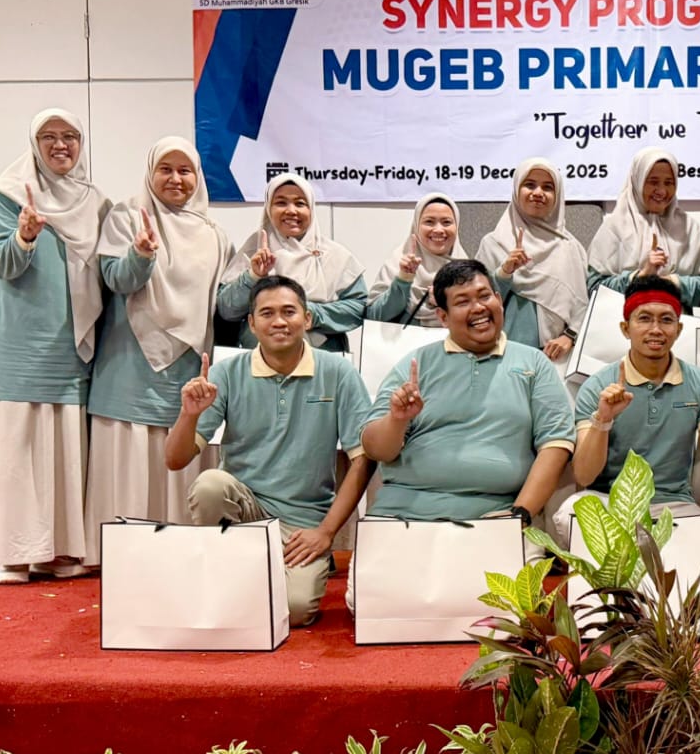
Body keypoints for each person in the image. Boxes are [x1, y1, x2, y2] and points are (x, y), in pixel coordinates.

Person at [164, 277, 373, 627]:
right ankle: (233, 572)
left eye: (289, 312)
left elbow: (363, 460)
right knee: (210, 485)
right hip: (245, 509)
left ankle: (257, 578)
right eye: (267, 313)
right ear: (251, 323)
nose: (279, 321)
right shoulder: (226, 373)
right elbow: (175, 459)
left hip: (303, 521)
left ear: (307, 318)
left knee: (296, 610)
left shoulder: (338, 372)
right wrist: (189, 415)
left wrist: (325, 532)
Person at [0, 109, 110, 584]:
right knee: (16, 449)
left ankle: (57, 550)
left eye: (70, 136)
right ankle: (15, 554)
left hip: (70, 343)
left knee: (64, 450)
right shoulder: (9, 193)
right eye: (49, 137)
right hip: (16, 342)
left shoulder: (95, 202)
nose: (60, 145)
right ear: (34, 143)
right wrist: (24, 235)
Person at [84, 137, 229, 566]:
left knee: (181, 457)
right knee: (129, 460)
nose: (176, 179)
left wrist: (253, 280)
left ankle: (179, 557)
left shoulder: (214, 234)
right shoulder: (128, 216)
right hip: (129, 366)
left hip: (189, 368)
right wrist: (140, 254)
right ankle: (122, 557)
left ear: (198, 177)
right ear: (150, 173)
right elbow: (116, 279)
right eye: (165, 169)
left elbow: (225, 305)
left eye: (185, 171)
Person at [560, 276, 700, 575]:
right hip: (611, 504)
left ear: (679, 329)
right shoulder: (598, 386)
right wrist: (603, 419)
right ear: (625, 328)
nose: (656, 329)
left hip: (674, 507)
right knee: (568, 514)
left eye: (666, 320)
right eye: (644, 319)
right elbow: (584, 475)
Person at [361, 259, 575, 523]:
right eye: (463, 302)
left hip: (497, 515)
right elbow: (377, 450)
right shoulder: (416, 364)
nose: (478, 308)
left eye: (485, 296)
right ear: (443, 317)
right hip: (402, 513)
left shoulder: (534, 363)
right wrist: (397, 419)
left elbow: (556, 444)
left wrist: (520, 514)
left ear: (499, 299)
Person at [217, 173, 367, 354]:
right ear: (268, 209)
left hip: (322, 361)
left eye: (300, 203)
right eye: (281, 203)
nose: (291, 211)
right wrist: (253, 277)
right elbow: (226, 310)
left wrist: (311, 313)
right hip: (259, 361)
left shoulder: (334, 256)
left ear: (311, 208)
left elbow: (359, 308)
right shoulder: (254, 250)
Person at [587, 147, 700, 315]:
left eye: (669, 183)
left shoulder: (688, 228)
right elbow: (593, 289)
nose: (661, 191)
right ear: (637, 181)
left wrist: (674, 282)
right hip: (623, 327)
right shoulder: (614, 228)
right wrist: (639, 277)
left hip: (677, 327)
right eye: (653, 182)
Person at [477, 158, 588, 361]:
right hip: (501, 358)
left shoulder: (571, 248)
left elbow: (582, 304)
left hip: (556, 359)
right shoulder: (493, 243)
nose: (538, 193)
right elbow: (477, 303)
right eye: (529, 185)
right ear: (516, 190)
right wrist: (504, 272)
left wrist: (570, 336)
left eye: (548, 187)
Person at [368, 194, 468, 325]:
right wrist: (403, 279)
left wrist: (447, 303)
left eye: (446, 222)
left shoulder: (467, 271)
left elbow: (476, 320)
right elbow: (374, 316)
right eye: (429, 222)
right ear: (416, 226)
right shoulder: (397, 264)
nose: (438, 229)